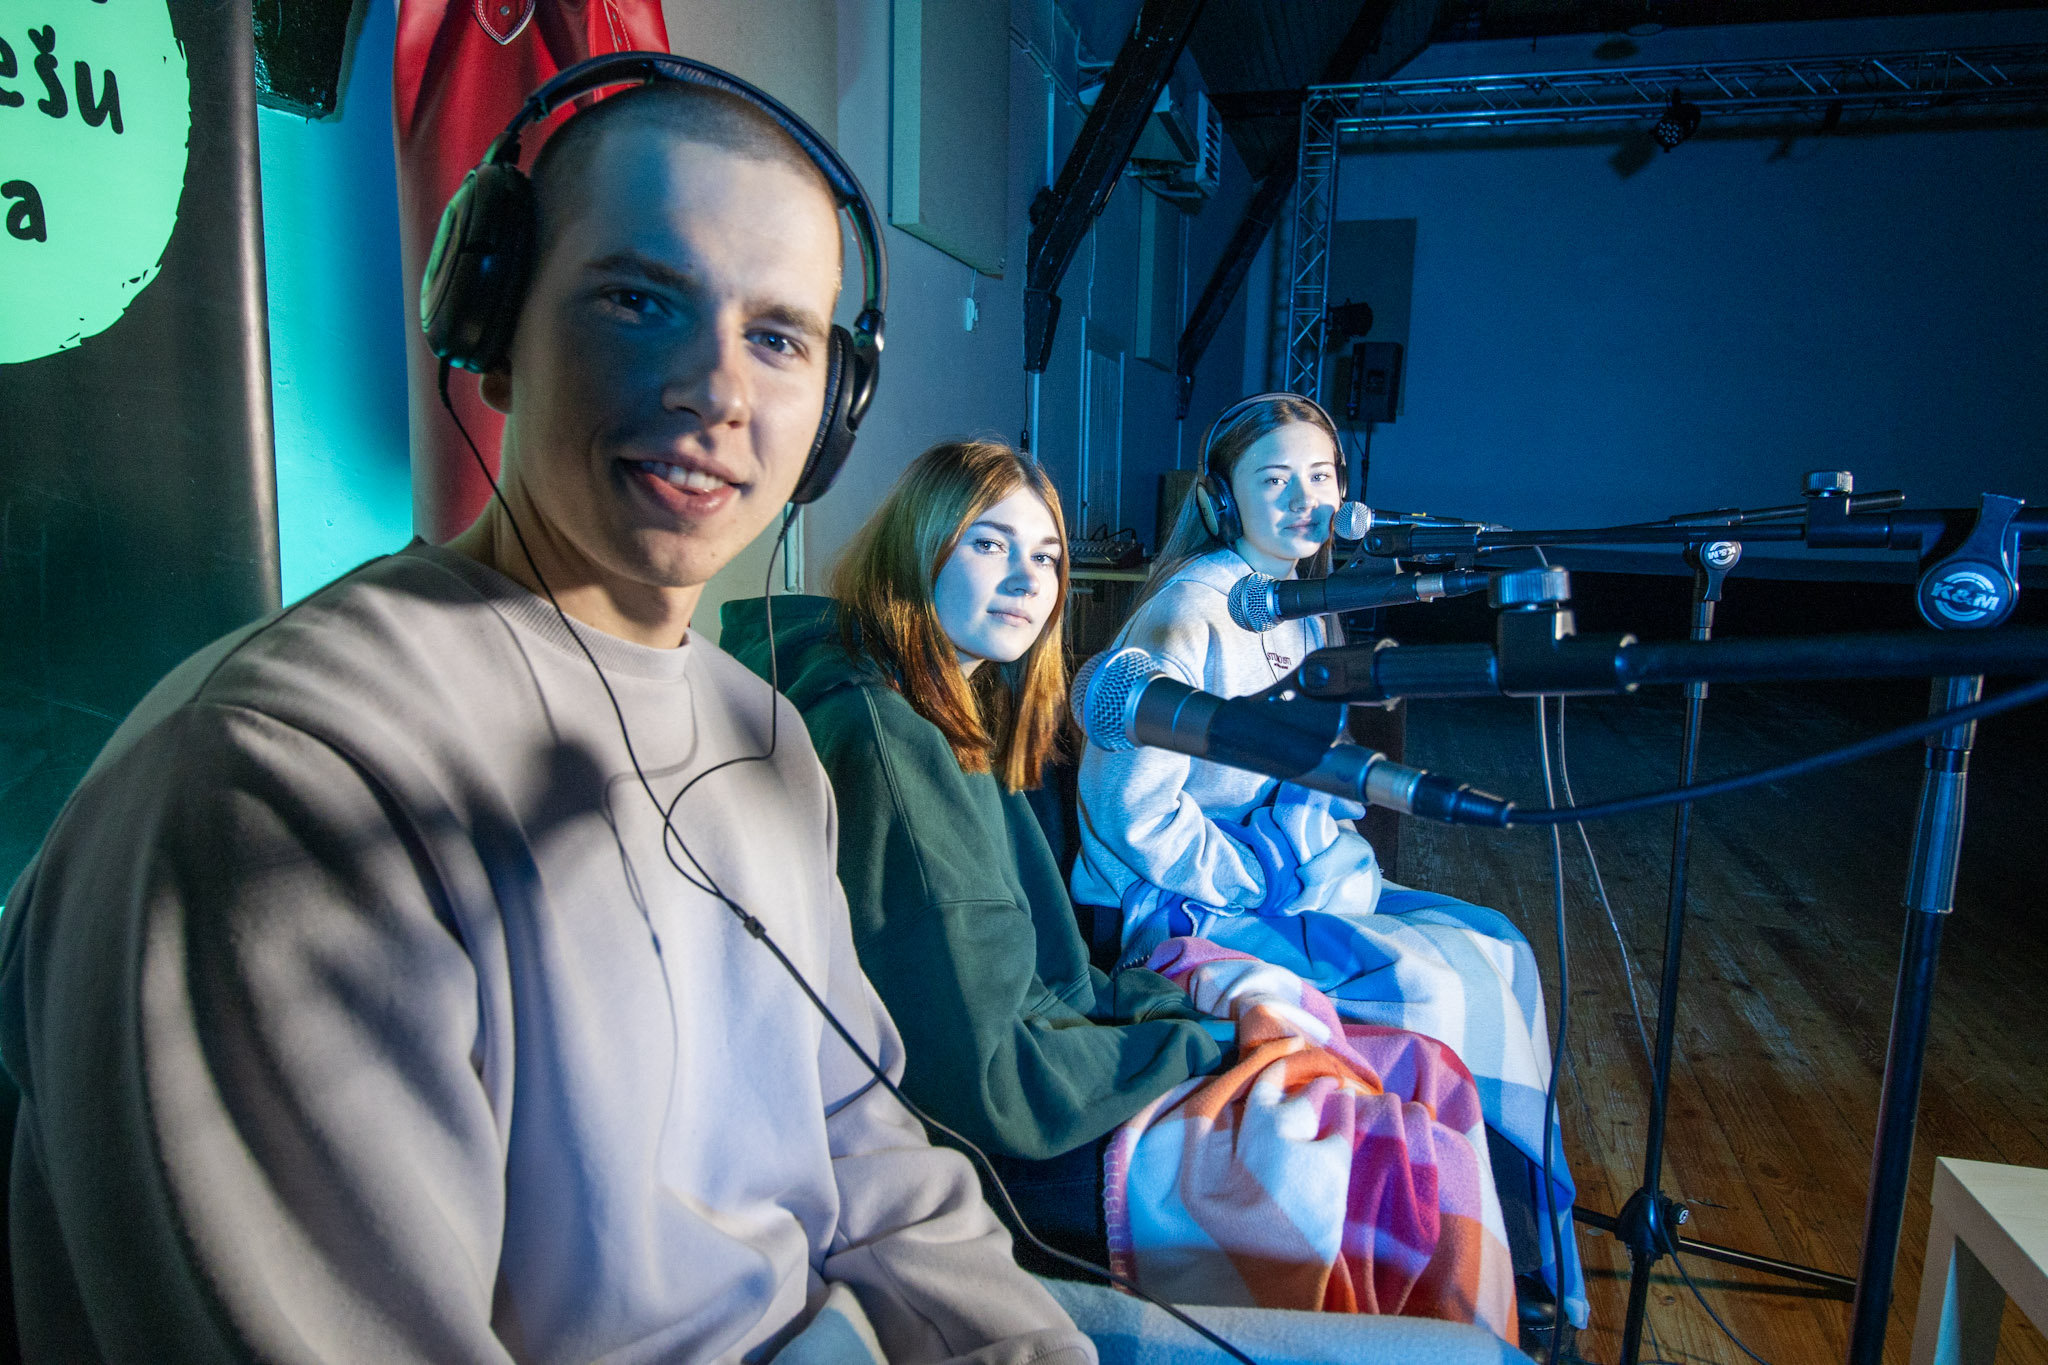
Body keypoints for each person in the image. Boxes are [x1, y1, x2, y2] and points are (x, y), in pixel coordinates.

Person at [0, 67, 1094, 1365]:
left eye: (778, 338)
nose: (716, 390)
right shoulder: (276, 781)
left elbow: (864, 1147)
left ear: (835, 412)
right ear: (493, 322)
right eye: (639, 299)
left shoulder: (766, 738)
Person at [1069, 393, 1588, 1332]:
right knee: (1433, 987)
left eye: (1321, 477)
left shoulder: (1307, 608)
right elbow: (1129, 811)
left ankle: (1513, 1243)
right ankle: (1438, 1273)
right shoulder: (1190, 611)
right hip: (1184, 894)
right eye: (1274, 479)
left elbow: (1312, 773)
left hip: (1278, 871)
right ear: (1222, 499)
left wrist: (1311, 850)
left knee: (1499, 946)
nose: (1304, 500)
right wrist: (1261, 875)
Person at [720, 440, 1231, 1268]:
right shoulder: (888, 739)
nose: (1029, 581)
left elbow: (1045, 980)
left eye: (1047, 556)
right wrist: (1200, 1044)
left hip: (1025, 1095)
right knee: (1360, 1161)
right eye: (990, 544)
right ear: (918, 546)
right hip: (995, 1155)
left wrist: (1168, 1015)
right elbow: (994, 1081)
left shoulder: (945, 701)